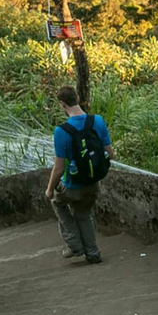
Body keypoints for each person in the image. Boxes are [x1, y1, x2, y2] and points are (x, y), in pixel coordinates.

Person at [45, 86, 114, 265]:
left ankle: (74, 245)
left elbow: (59, 169)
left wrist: (49, 189)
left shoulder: (61, 131)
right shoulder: (97, 121)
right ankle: (93, 253)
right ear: (77, 97)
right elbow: (110, 153)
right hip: (93, 183)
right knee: (83, 213)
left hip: (73, 184)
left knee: (58, 203)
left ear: (62, 104)